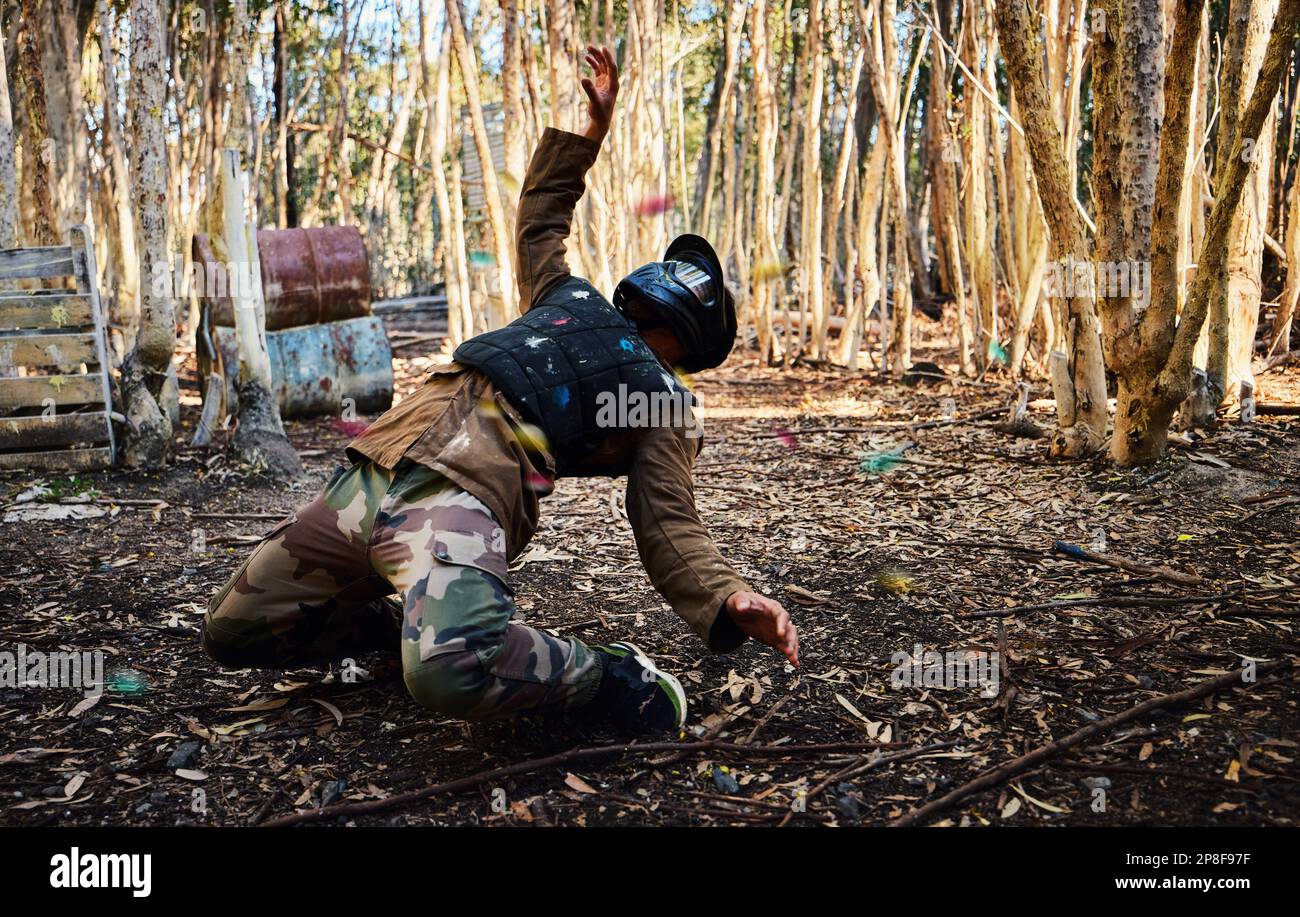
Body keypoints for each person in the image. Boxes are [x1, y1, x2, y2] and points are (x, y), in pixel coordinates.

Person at [201, 44, 799, 735]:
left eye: (695, 286)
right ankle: (405, 620)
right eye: (679, 270)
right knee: (233, 631)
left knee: (453, 668)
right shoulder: (568, 296)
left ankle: (612, 677)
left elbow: (668, 520)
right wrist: (588, 138)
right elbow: (540, 220)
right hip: (379, 467)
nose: (673, 282)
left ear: (699, 329)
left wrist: (726, 595)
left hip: (465, 491)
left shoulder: (662, 398)